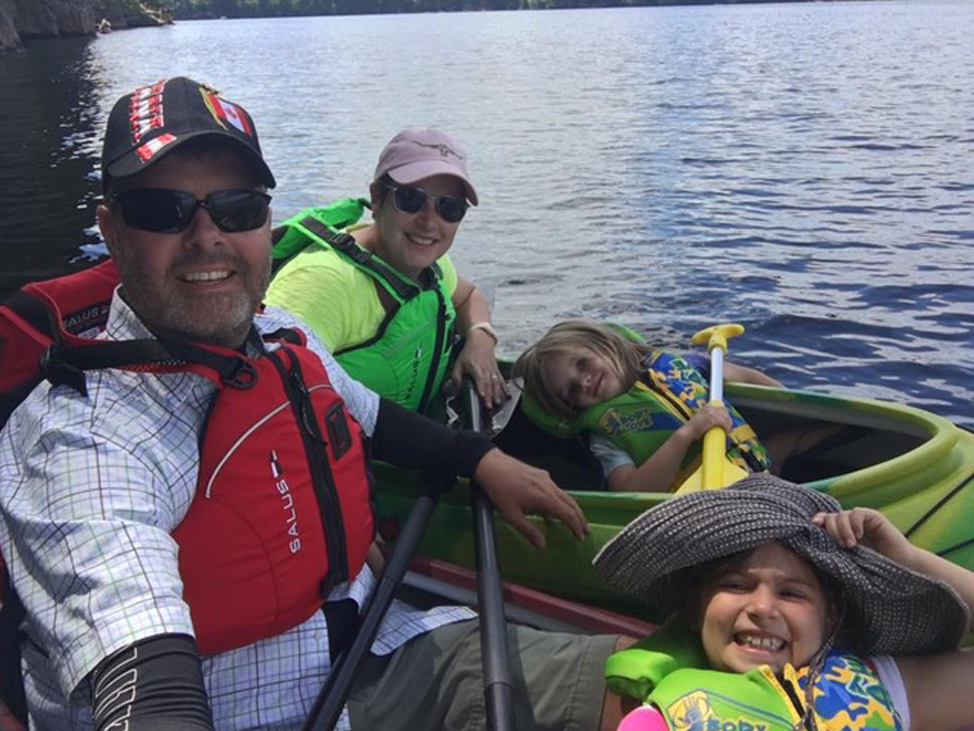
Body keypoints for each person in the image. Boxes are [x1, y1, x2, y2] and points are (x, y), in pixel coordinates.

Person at [0, 77, 630, 731]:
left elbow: (373, 416)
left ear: (265, 220)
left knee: (642, 683)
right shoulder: (83, 443)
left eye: (238, 207)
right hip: (265, 708)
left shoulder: (277, 336)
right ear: (112, 229)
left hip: (376, 636)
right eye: (163, 209)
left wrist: (485, 460)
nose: (207, 235)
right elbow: (146, 682)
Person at [593, 474, 974, 731]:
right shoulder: (657, 721)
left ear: (833, 619)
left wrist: (910, 560)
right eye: (737, 585)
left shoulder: (881, 685)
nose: (762, 608)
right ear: (696, 609)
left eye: (792, 593)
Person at [265, 127, 508, 413]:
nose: (429, 222)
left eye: (450, 207)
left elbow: (469, 296)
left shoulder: (432, 265)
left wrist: (480, 336)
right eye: (410, 199)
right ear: (377, 198)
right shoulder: (321, 284)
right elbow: (270, 401)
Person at [512, 319, 807, 493]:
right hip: (707, 501)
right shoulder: (605, 437)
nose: (585, 381)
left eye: (582, 363)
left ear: (604, 344)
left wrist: (797, 405)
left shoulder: (678, 366)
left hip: (757, 470)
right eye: (572, 390)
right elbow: (630, 489)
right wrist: (685, 435)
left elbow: (746, 377)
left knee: (820, 432)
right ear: (569, 406)